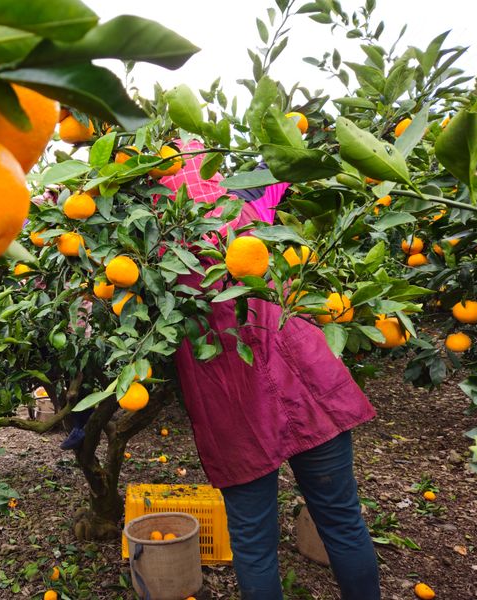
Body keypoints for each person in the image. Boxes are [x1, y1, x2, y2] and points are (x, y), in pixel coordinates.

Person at [159, 140, 381, 600]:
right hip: (306, 380)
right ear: (214, 174)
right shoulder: (248, 212)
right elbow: (282, 166)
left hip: (231, 402)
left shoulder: (154, 259)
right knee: (341, 521)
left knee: (253, 543)